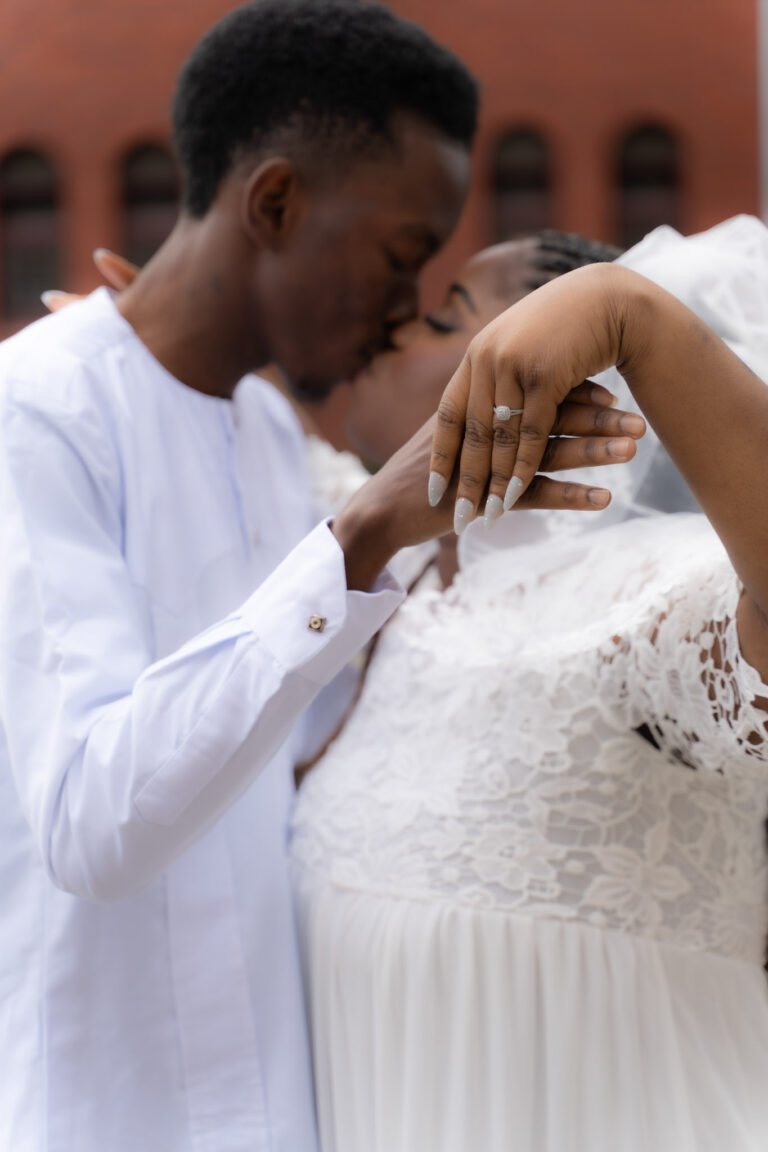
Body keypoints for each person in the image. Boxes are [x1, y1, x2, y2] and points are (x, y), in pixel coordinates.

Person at [0, 3, 643, 1151]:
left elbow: (304, 750)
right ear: (278, 203)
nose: (407, 304)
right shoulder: (36, 412)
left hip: (294, 1106)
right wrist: (356, 539)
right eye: (402, 254)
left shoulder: (261, 426)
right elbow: (88, 824)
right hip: (104, 1113)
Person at [291, 217, 768, 1151]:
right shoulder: (413, 582)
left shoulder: (637, 596)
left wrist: (633, 313)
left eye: (448, 317)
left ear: (570, 377)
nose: (396, 330)